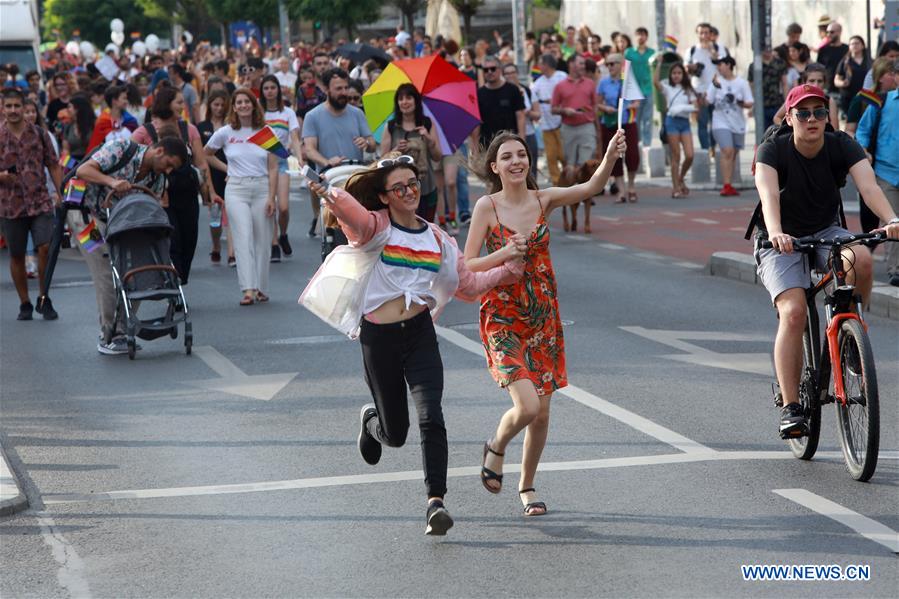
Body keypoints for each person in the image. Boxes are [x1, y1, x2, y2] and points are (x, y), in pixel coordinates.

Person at [301, 155, 525, 536]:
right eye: (399, 188)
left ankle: (435, 502)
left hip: (420, 334)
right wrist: (329, 193)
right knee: (397, 433)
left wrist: (509, 269)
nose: (409, 192)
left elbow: (467, 284)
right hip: (379, 340)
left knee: (431, 416)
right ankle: (373, 424)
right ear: (385, 197)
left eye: (414, 184)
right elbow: (352, 213)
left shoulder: (438, 238)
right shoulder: (375, 229)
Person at [463, 129, 626, 516]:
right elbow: (466, 265)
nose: (516, 161)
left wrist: (610, 156)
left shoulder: (544, 198)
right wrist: (504, 253)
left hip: (543, 315)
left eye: (521, 154)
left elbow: (591, 186)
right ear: (495, 167)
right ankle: (497, 445)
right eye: (507, 157)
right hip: (503, 315)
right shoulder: (487, 207)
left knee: (544, 412)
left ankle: (527, 486)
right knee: (528, 406)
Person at [753, 83, 899, 438]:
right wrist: (776, 232)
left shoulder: (840, 144)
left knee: (861, 258)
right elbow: (769, 195)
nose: (813, 119)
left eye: (820, 112)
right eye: (803, 113)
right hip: (780, 238)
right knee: (794, 311)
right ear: (790, 118)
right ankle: (791, 407)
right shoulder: (773, 149)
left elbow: (869, 187)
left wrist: (891, 219)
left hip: (825, 230)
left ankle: (849, 331)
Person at [73, 136, 188, 352]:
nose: (169, 170)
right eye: (169, 164)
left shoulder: (158, 179)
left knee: (133, 271)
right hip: (89, 220)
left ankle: (124, 329)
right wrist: (111, 182)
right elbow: (83, 171)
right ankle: (109, 334)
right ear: (159, 151)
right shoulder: (123, 149)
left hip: (123, 225)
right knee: (106, 272)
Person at [133, 85, 218, 285]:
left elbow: (201, 163)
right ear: (166, 104)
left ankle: (180, 280)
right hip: (160, 197)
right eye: (179, 102)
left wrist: (210, 192)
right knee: (172, 242)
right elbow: (134, 157)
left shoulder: (189, 129)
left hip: (187, 194)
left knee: (189, 241)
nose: (183, 106)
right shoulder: (145, 131)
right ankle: (173, 285)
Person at [203, 88, 278, 305]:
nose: (243, 105)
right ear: (233, 107)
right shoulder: (226, 132)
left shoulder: (266, 132)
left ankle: (262, 287)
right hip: (236, 188)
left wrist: (271, 197)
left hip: (262, 187)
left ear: (254, 105)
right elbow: (206, 154)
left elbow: (273, 167)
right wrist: (229, 169)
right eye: (239, 102)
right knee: (242, 236)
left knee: (263, 240)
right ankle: (248, 289)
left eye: (247, 102)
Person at [0, 88, 63, 321]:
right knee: (16, 255)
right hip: (10, 205)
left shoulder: (39, 134)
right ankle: (24, 303)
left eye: (17, 106)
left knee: (45, 247)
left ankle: (44, 298)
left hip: (39, 201)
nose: (14, 110)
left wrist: (61, 193)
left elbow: (54, 165)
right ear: (3, 108)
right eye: (9, 106)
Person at [302, 68, 375, 237]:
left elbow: (371, 143)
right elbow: (310, 150)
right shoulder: (313, 116)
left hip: (355, 178)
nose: (344, 93)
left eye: (345, 88)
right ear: (327, 90)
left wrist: (366, 143)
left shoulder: (357, 113)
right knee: (333, 231)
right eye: (338, 89)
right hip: (328, 178)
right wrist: (327, 161)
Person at [856, 70, 899, 286]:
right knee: (892, 218)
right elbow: (863, 130)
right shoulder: (881, 102)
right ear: (896, 77)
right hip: (886, 171)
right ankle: (896, 269)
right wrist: (863, 149)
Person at [379, 84, 442, 224]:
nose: (404, 102)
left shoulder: (427, 123)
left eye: (409, 97)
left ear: (416, 101)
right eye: (400, 99)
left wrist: (429, 140)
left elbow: (437, 157)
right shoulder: (391, 126)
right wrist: (396, 150)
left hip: (426, 186)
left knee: (427, 227)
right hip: (400, 191)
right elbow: (382, 160)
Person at [261, 74, 303, 262]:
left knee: (283, 207)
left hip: (281, 161)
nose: (269, 91)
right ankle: (274, 243)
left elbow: (294, 137)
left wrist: (300, 158)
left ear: (278, 89)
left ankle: (283, 233)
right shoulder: (258, 113)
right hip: (261, 164)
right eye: (266, 88)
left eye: (272, 87)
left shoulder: (287, 113)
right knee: (270, 205)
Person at [597, 54, 642, 202]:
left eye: (612, 64)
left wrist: (631, 106)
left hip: (627, 121)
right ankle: (621, 191)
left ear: (620, 65)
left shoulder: (628, 81)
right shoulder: (603, 83)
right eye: (607, 64)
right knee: (614, 156)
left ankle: (631, 186)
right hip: (610, 123)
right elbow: (598, 104)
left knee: (632, 155)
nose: (609, 67)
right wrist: (606, 108)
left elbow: (637, 101)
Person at [707, 55, 753, 196]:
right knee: (727, 151)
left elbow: (750, 102)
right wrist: (713, 87)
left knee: (733, 153)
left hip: (737, 122)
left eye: (720, 64)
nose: (718, 67)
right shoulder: (716, 82)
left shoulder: (741, 83)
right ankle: (726, 185)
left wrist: (739, 102)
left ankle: (730, 183)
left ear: (728, 65)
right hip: (720, 122)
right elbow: (708, 101)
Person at [197, 89, 234, 266]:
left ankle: (232, 253)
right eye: (215, 105)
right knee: (215, 216)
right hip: (211, 175)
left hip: (231, 174)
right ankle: (216, 244)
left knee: (232, 213)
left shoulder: (231, 126)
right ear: (210, 106)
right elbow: (200, 155)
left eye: (222, 105)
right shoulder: (202, 127)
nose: (219, 108)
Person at [654, 61, 697, 197]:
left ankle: (680, 177)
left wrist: (691, 110)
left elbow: (696, 106)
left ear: (683, 74)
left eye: (679, 73)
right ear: (670, 75)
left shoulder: (688, 89)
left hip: (684, 122)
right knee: (676, 155)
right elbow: (655, 82)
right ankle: (675, 188)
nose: (676, 76)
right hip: (671, 122)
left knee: (690, 155)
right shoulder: (667, 87)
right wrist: (659, 64)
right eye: (674, 73)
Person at [688, 22, 730, 153]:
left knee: (715, 123)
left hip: (716, 91)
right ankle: (705, 150)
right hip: (699, 92)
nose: (704, 35)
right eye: (701, 32)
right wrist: (692, 67)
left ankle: (713, 147)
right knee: (702, 123)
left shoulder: (719, 48)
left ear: (711, 34)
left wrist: (713, 52)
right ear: (697, 34)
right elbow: (685, 69)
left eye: (706, 32)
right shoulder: (692, 50)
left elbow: (724, 66)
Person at [551, 54, 596, 173]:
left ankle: (585, 190)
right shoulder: (560, 86)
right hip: (568, 129)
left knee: (586, 163)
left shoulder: (590, 83)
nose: (583, 66)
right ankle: (573, 190)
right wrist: (564, 110)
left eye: (583, 64)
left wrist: (595, 125)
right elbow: (553, 109)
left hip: (587, 127)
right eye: (581, 63)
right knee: (569, 164)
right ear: (571, 64)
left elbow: (595, 105)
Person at [474, 55, 525, 149]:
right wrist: (475, 150)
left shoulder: (512, 90)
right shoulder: (479, 94)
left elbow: (520, 116)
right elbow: (477, 124)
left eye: (493, 69)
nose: (489, 72)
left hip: (510, 143)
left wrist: (522, 142)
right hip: (487, 146)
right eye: (486, 70)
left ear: (500, 70)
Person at [531, 54, 567, 186]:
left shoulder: (561, 76)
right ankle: (556, 183)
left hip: (562, 122)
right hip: (546, 125)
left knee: (564, 156)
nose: (539, 66)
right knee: (551, 156)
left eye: (540, 63)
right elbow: (532, 96)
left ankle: (568, 180)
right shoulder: (538, 83)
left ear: (546, 64)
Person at [502, 64, 541, 180]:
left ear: (517, 74)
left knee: (531, 170)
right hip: (509, 136)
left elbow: (538, 115)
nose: (510, 76)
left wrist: (525, 111)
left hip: (528, 135)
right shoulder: (501, 93)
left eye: (512, 72)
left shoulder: (527, 90)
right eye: (507, 73)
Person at [772, 63, 840, 130]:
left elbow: (834, 130)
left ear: (824, 83)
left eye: (820, 81)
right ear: (805, 82)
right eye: (812, 81)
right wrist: (790, 131)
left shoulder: (829, 101)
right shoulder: (796, 98)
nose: (816, 85)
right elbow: (777, 118)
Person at [845, 57, 896, 137]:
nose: (895, 78)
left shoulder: (895, 99)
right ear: (880, 78)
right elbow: (849, 131)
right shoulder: (862, 98)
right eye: (891, 74)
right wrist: (862, 144)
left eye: (895, 74)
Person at [624, 28, 656, 145]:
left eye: (643, 35)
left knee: (647, 119)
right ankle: (635, 144)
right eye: (638, 35)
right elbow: (625, 71)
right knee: (635, 119)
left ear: (646, 37)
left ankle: (647, 145)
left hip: (648, 89)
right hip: (634, 91)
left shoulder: (652, 53)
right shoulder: (629, 52)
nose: (640, 37)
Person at [87, 85, 137, 152]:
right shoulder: (102, 122)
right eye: (124, 98)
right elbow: (94, 148)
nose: (127, 101)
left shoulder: (130, 122)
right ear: (114, 101)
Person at [834, 36, 872, 116]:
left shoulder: (870, 61)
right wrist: (842, 83)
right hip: (849, 99)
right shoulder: (845, 62)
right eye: (852, 44)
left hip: (867, 98)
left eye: (857, 43)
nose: (854, 45)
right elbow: (836, 80)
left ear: (862, 45)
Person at [816, 22, 849, 95]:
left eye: (832, 32)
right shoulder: (823, 50)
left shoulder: (847, 49)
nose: (828, 34)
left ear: (839, 32)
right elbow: (818, 69)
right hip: (827, 89)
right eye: (827, 32)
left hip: (844, 89)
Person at [62, 94, 96, 161]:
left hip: (92, 162)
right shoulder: (68, 126)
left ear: (77, 109)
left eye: (69, 107)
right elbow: (65, 151)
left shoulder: (93, 124)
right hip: (73, 164)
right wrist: (70, 167)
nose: (67, 110)